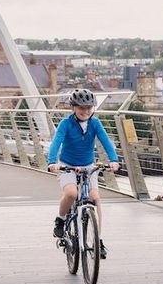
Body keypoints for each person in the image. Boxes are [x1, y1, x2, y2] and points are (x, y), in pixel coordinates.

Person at [47, 88, 120, 259]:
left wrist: (114, 160)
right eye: (81, 108)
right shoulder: (66, 123)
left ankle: (98, 240)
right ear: (73, 107)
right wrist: (52, 162)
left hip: (88, 166)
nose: (85, 111)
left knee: (95, 198)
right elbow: (56, 142)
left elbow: (106, 141)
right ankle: (61, 218)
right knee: (72, 193)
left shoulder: (95, 124)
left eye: (89, 108)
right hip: (67, 165)